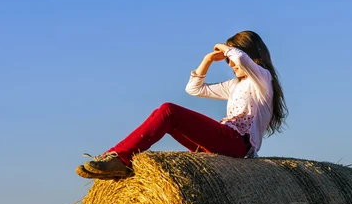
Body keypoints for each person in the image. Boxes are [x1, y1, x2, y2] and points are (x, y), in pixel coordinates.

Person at [76, 30, 288, 179]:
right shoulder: (234, 85)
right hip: (223, 143)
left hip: (236, 144)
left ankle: (121, 158)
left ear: (251, 54)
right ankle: (113, 157)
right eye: (226, 60)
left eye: (229, 58)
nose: (230, 63)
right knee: (161, 114)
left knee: (169, 111)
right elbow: (194, 89)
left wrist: (225, 49)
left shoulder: (262, 79)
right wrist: (206, 61)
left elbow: (241, 59)